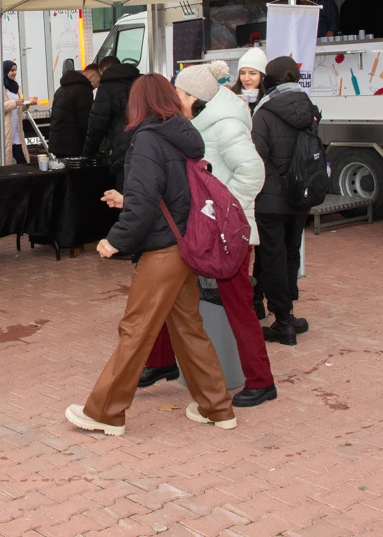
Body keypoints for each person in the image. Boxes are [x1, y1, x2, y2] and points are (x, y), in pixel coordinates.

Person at [67, 73, 235, 436]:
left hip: (163, 251)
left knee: (136, 329)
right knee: (188, 329)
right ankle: (217, 407)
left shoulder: (147, 138)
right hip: (183, 245)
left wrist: (116, 239)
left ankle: (105, 412)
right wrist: (127, 200)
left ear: (138, 103)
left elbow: (145, 202)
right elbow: (169, 192)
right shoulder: (180, 134)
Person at [138, 61, 276, 407]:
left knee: (238, 306)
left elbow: (253, 173)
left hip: (228, 235)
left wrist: (223, 213)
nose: (174, 100)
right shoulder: (195, 124)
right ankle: (161, 361)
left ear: (195, 97)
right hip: (200, 231)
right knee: (170, 294)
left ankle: (261, 380)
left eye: (179, 94)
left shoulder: (226, 126)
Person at [251, 57, 316, 345]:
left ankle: (283, 321)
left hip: (270, 198)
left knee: (272, 257)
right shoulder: (308, 107)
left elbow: (256, 156)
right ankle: (288, 312)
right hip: (300, 195)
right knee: (290, 254)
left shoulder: (264, 112)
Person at [83, 56, 140, 188]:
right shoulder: (139, 81)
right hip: (141, 145)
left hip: (119, 151)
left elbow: (97, 124)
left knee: (121, 192)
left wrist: (88, 153)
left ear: (103, 70)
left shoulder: (107, 87)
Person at [0, 60, 30, 166]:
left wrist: (26, 105)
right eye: (12, 70)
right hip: (3, 130)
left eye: (15, 70)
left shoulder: (15, 86)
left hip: (15, 129)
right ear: (5, 70)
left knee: (22, 160)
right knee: (5, 160)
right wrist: (14, 103)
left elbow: (17, 107)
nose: (14, 73)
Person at [49, 65, 94, 158]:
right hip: (73, 146)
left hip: (58, 144)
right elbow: (85, 122)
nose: (97, 86)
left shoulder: (61, 89)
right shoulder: (84, 90)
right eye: (98, 82)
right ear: (91, 77)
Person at [231, 47, 268, 112]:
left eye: (252, 73)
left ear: (262, 76)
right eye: (242, 73)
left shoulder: (271, 98)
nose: (246, 78)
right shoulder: (231, 96)